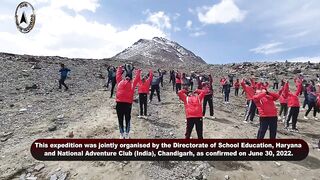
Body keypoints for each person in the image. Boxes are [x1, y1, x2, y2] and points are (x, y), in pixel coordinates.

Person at [115, 65, 141, 139]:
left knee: (125, 118)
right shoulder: (121, 81)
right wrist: (119, 68)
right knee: (123, 118)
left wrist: (138, 72)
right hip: (124, 103)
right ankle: (123, 133)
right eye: (127, 76)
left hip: (123, 103)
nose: (127, 78)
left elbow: (118, 75)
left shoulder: (122, 82)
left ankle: (125, 133)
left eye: (128, 76)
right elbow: (118, 75)